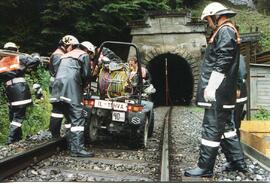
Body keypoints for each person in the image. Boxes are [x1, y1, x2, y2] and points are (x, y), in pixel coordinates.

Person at [184, 2, 247, 177]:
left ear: (215, 16)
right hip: (223, 93)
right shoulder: (227, 30)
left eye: (208, 20)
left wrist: (212, 86)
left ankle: (204, 167)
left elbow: (223, 59)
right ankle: (237, 162)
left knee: (211, 129)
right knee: (227, 129)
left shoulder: (225, 31)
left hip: (218, 94)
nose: (208, 24)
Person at [50, 35, 94, 157]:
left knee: (59, 112)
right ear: (88, 51)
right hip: (71, 88)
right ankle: (77, 149)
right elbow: (86, 75)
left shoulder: (64, 55)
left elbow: (55, 71)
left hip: (57, 88)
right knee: (77, 118)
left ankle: (55, 139)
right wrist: (83, 86)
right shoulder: (83, 55)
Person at [0, 42, 40, 144]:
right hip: (20, 90)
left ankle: (17, 138)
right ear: (16, 50)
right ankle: (10, 139)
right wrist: (36, 55)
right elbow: (35, 62)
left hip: (9, 90)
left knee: (13, 115)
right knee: (18, 116)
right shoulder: (19, 58)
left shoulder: (2, 62)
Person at [48, 35, 73, 139]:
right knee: (60, 109)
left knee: (61, 110)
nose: (72, 49)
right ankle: (58, 135)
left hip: (57, 84)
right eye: (72, 46)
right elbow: (60, 72)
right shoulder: (59, 55)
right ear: (66, 45)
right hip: (59, 85)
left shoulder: (60, 54)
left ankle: (60, 135)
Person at [234, 54, 247, 138]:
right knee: (236, 120)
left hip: (236, 95)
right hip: (240, 95)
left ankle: (235, 143)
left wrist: (238, 87)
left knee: (234, 121)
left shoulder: (236, 56)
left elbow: (242, 73)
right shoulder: (240, 57)